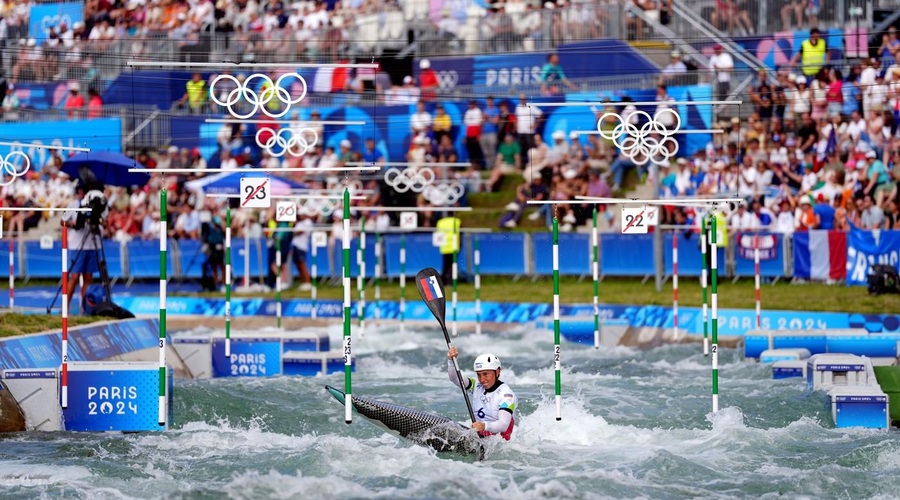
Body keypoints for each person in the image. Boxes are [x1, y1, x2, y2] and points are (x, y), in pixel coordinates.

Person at [447, 346, 516, 440]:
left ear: (497, 372)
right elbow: (455, 378)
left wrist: (484, 426)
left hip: (498, 442)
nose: (482, 379)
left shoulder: (506, 395)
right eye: (479, 375)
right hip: (479, 434)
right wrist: (451, 361)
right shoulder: (476, 384)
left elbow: (503, 424)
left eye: (486, 374)